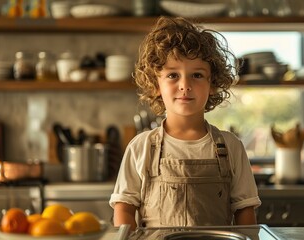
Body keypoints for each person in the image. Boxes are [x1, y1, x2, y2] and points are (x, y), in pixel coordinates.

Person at [109, 16, 261, 230]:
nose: (185, 85)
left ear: (213, 84)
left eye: (197, 75)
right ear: (156, 85)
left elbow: (245, 210)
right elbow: (124, 207)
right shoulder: (140, 146)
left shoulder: (230, 146)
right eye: (172, 75)